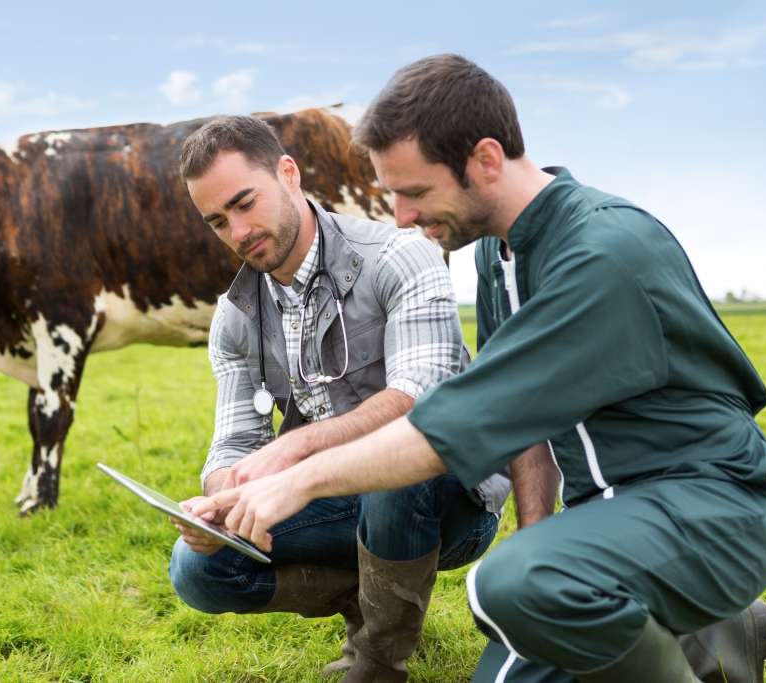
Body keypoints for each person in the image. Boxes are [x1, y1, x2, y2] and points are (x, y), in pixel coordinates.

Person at [193, 56, 766, 683]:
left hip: (711, 506)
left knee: (506, 585)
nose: (400, 217)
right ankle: (717, 638)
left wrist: (300, 477)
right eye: (392, 194)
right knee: (517, 597)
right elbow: (525, 420)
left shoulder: (602, 253)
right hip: (613, 517)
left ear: (485, 160)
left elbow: (452, 423)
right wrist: (538, 535)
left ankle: (690, 638)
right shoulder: (498, 253)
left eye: (416, 192)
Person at [168, 115, 545, 682]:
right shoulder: (235, 314)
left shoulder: (399, 256)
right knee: (196, 570)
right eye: (218, 221)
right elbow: (234, 444)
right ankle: (379, 592)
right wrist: (219, 505)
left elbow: (422, 402)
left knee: (393, 470)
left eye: (246, 203)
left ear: (288, 174)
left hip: (447, 497)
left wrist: (291, 457)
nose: (239, 232)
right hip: (331, 496)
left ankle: (376, 659)